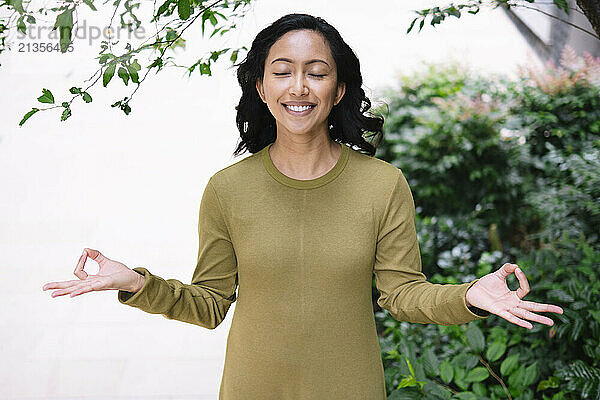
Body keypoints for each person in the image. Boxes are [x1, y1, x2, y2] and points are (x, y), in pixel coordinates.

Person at [42, 13, 564, 400]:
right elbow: (209, 304)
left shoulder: (383, 185)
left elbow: (403, 295)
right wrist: (135, 283)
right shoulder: (227, 189)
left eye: (316, 72)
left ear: (338, 90)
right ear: (261, 86)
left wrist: (470, 294)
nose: (299, 87)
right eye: (283, 71)